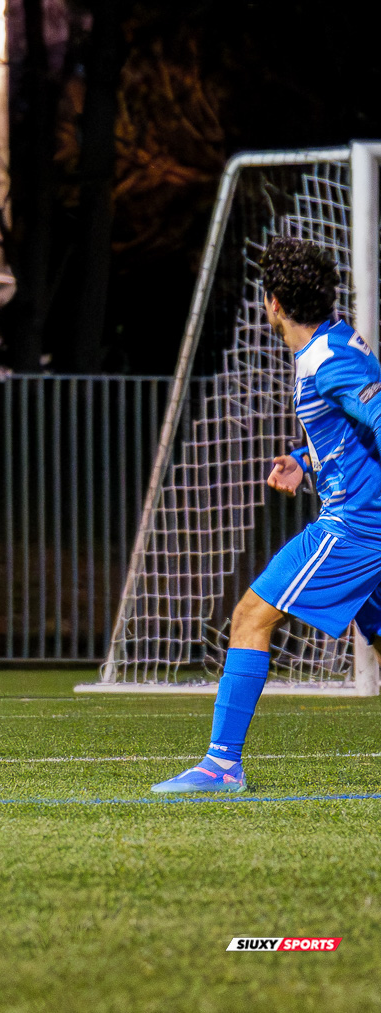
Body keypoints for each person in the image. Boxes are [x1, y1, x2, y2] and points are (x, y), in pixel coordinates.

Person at [154, 238, 381, 792]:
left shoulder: (331, 359)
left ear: (272, 302)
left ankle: (221, 765)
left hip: (355, 526)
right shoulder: (332, 344)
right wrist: (306, 460)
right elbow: (353, 429)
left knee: (251, 616)